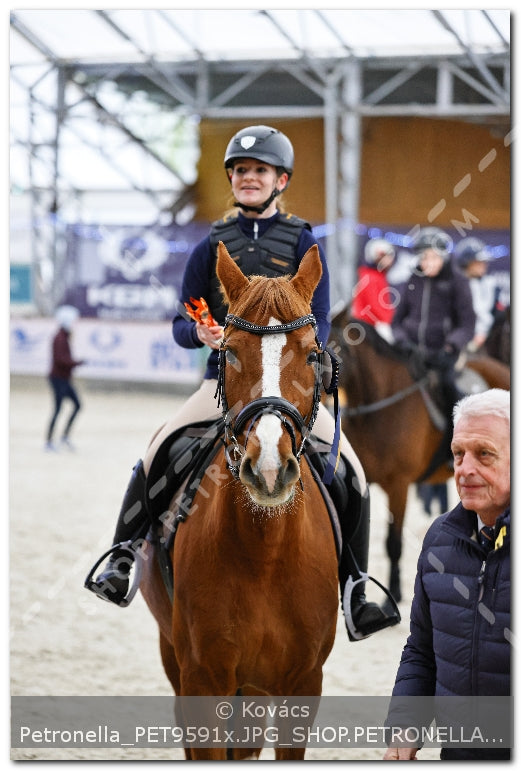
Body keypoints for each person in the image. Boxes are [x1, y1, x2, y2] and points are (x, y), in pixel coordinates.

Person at [85, 124, 399, 640]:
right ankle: (122, 557)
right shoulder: (210, 245)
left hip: (289, 388)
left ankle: (357, 587)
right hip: (224, 385)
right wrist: (201, 332)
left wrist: (300, 354)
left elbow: (317, 318)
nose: (248, 178)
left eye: (259, 171)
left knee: (353, 472)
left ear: (281, 180)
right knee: (157, 451)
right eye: (240, 171)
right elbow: (180, 321)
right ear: (231, 179)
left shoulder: (302, 239)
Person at [383, 388, 510, 761]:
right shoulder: (439, 538)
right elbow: (421, 650)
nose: (465, 469)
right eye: (457, 454)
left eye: (483, 454)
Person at [391, 226, 476, 456]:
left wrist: (451, 346)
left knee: (450, 390)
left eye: (432, 257)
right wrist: (401, 341)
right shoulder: (413, 279)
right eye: (423, 257)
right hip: (413, 355)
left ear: (443, 256)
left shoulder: (457, 281)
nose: (427, 262)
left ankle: (453, 448)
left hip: (444, 355)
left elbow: (467, 323)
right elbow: (396, 321)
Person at [45, 305, 84, 452]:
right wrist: (78, 363)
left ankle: (64, 437)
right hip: (58, 379)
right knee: (57, 409)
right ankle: (49, 441)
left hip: (64, 379)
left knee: (77, 405)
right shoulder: (59, 338)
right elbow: (61, 360)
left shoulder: (64, 337)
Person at [350, 237, 397, 343]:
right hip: (369, 326)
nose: (388, 260)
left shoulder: (377, 276)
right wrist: (390, 320)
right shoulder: (370, 278)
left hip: (372, 325)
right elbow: (375, 307)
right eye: (383, 256)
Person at [453, 236, 495, 352]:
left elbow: (486, 315)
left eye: (484, 262)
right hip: (456, 341)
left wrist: (481, 334)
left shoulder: (487, 284)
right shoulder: (454, 285)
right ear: (466, 263)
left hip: (482, 341)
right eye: (478, 262)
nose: (484, 265)